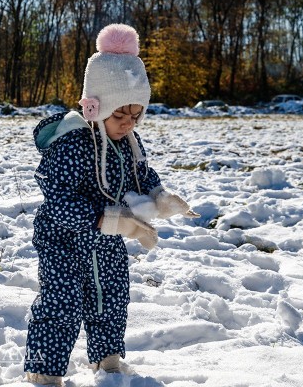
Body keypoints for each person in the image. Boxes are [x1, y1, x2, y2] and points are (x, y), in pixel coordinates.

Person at [23, 23, 198, 387]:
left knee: (112, 298)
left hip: (107, 242)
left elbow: (140, 174)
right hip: (64, 241)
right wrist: (107, 219)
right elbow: (59, 201)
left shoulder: (128, 141)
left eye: (135, 116)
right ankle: (43, 369)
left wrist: (160, 197)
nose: (128, 123)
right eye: (120, 115)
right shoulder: (72, 142)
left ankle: (108, 359)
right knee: (62, 304)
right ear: (96, 105)